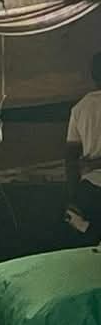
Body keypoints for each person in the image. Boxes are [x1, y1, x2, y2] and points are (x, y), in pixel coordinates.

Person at [65, 53, 101, 239]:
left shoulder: (80, 109)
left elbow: (70, 159)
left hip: (90, 188)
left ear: (93, 76)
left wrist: (72, 198)